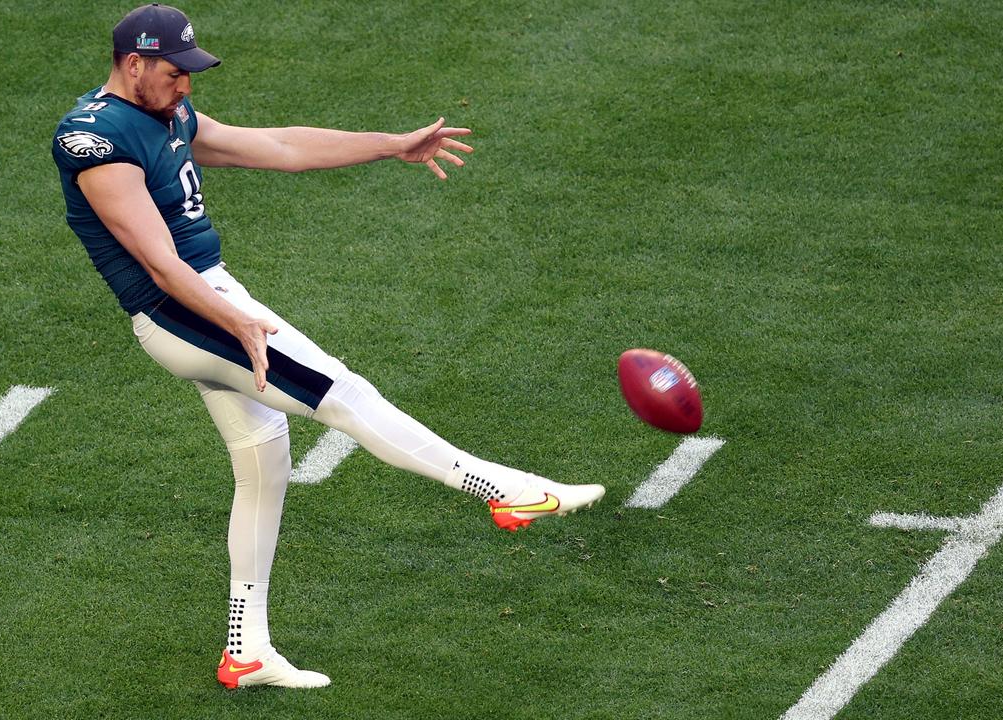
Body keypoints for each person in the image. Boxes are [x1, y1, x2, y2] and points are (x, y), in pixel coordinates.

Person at [51, 3, 604, 691]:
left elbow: (279, 147)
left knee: (264, 464)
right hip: (183, 311)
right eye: (174, 72)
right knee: (343, 394)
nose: (186, 86)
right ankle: (503, 489)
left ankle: (246, 650)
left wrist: (391, 144)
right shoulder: (93, 139)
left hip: (208, 301)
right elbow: (160, 263)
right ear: (133, 64)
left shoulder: (166, 115)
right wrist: (239, 321)